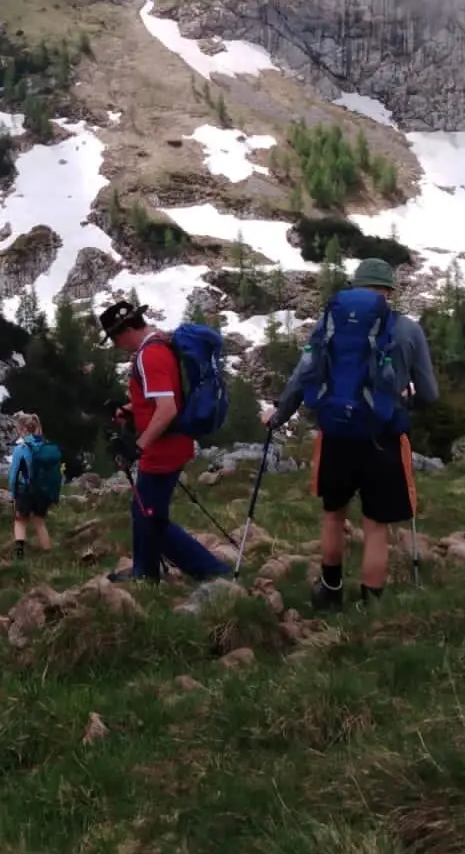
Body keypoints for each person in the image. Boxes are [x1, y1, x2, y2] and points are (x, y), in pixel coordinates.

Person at [265, 259, 439, 611]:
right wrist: (407, 401)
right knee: (375, 525)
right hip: (384, 437)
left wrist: (279, 415)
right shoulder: (407, 329)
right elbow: (430, 394)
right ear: (388, 291)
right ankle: (370, 606)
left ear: (355, 287)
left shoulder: (330, 324)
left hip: (335, 435)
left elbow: (304, 374)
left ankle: (330, 592)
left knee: (333, 515)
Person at [99, 297, 232, 583]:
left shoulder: (149, 356)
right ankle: (144, 572)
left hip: (163, 449)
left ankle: (211, 571)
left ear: (124, 331)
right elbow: (164, 396)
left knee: (151, 518)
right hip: (172, 444)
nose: (115, 345)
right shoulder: (162, 343)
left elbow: (167, 409)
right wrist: (129, 410)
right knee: (145, 511)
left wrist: (137, 446)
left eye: (113, 338)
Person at [8, 412, 54, 563]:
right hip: (42, 491)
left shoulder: (20, 449)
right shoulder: (45, 446)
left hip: (25, 490)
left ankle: (20, 555)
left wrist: (13, 494)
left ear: (23, 429)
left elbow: (14, 474)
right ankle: (48, 554)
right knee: (40, 522)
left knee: (20, 521)